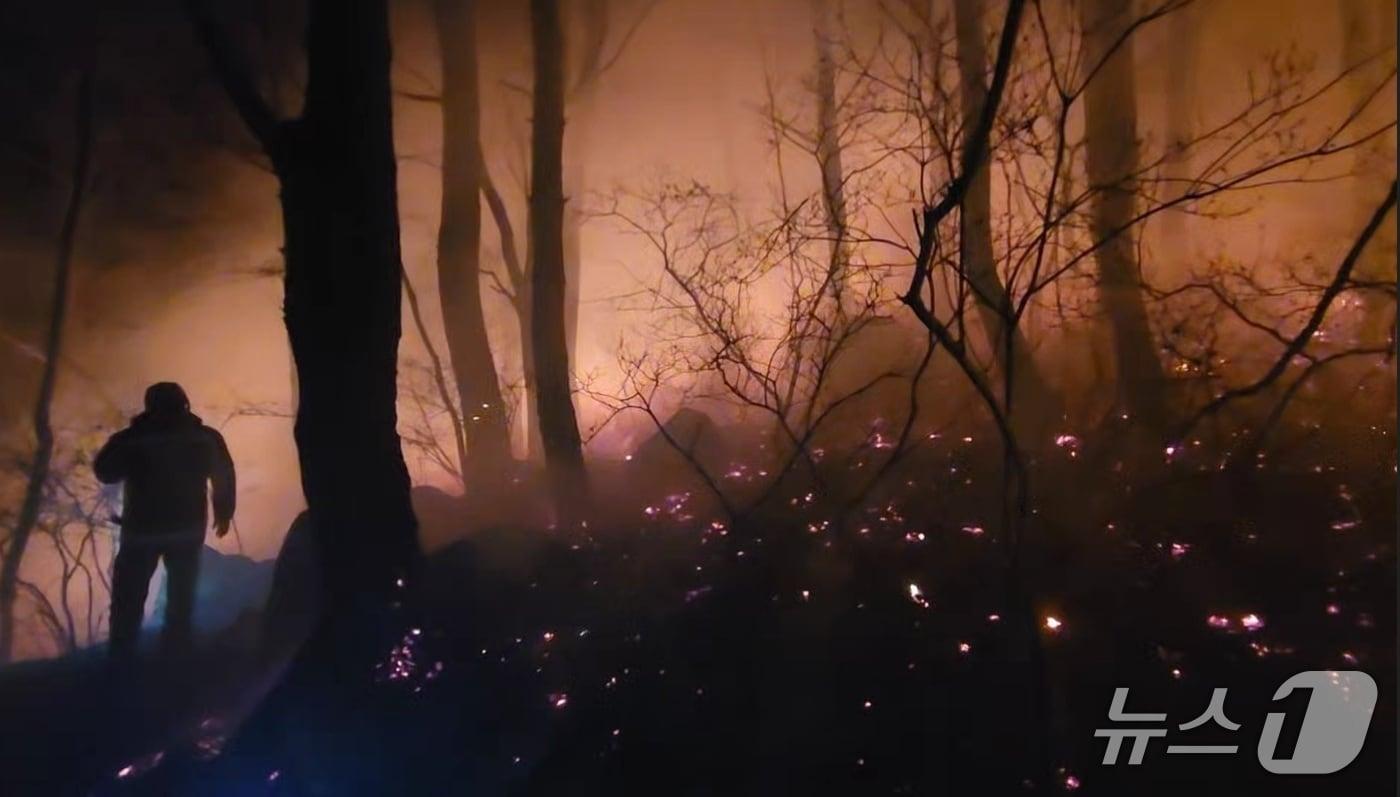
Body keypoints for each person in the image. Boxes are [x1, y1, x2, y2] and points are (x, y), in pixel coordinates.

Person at [94, 382, 235, 659]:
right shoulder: (204, 437)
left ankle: (121, 661)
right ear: (185, 404)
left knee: (128, 600)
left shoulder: (134, 439)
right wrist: (224, 511)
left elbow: (105, 471)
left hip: (141, 533)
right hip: (186, 531)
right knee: (180, 599)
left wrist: (131, 438)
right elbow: (224, 476)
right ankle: (175, 657)